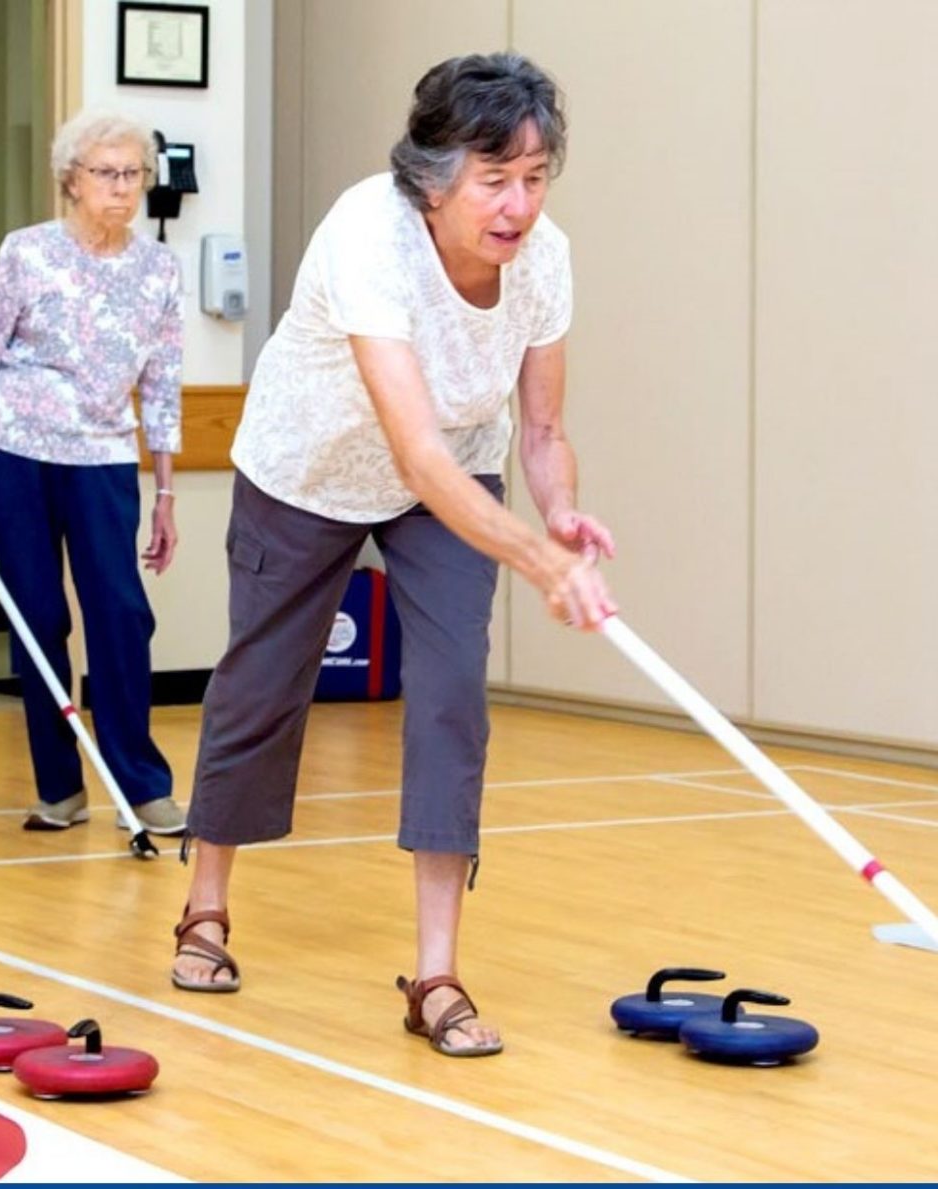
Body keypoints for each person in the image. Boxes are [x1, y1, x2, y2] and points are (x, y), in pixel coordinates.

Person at [169, 53, 618, 1056]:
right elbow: (411, 451)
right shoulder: (367, 234)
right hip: (310, 468)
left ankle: (438, 974)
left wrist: (560, 514)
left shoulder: (545, 259)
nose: (518, 206)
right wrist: (539, 565)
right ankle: (206, 905)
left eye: (535, 177)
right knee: (263, 685)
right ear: (432, 177)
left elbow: (543, 430)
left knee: (454, 690)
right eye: (494, 179)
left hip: (451, 475)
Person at [0, 109, 186, 836]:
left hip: (103, 455)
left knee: (121, 613)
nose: (122, 187)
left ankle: (141, 786)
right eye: (106, 173)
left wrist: (166, 493)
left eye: (133, 173)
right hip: (11, 447)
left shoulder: (159, 268)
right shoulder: (27, 252)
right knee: (38, 616)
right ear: (71, 180)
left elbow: (163, 386)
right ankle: (60, 787)